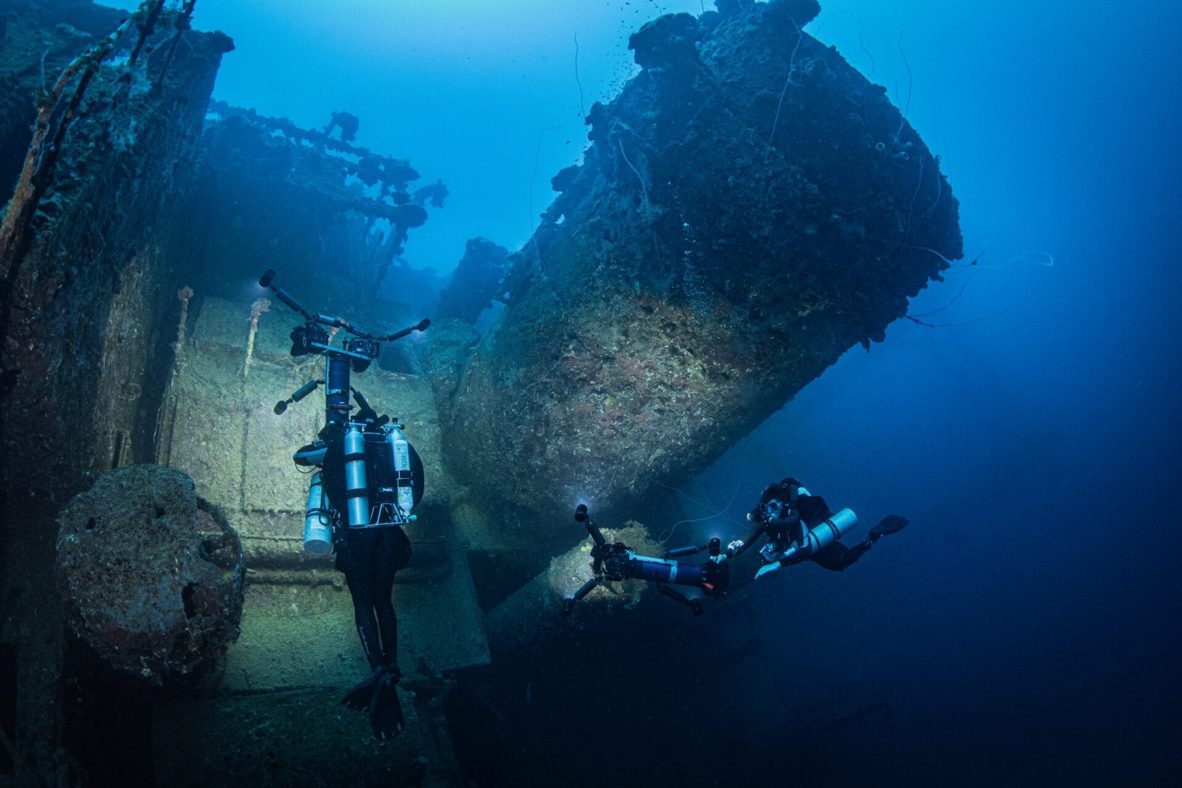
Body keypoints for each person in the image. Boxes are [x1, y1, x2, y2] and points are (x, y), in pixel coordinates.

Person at [320, 402, 416, 742]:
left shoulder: (345, 445)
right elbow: (414, 484)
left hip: (357, 538)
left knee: (364, 604)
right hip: (390, 534)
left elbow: (330, 488)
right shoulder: (391, 443)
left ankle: (377, 669)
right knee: (384, 602)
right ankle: (391, 667)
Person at [727, 477, 908, 577]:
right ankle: (873, 537)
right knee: (839, 563)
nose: (768, 512)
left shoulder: (794, 521)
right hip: (806, 542)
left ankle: (874, 536)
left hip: (813, 540)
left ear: (783, 504)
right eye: (765, 507)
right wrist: (733, 550)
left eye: (772, 507)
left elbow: (805, 551)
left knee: (840, 562)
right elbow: (756, 531)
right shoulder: (772, 521)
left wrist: (777, 564)